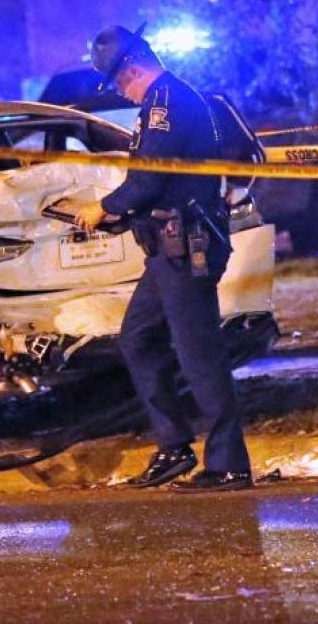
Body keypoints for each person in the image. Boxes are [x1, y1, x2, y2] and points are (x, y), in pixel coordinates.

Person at [74, 25, 252, 492]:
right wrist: (122, 213)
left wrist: (103, 208)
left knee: (198, 354)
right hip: (166, 246)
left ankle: (228, 463)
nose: (119, 91)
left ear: (131, 68)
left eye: (117, 82)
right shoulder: (160, 103)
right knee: (138, 339)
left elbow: (149, 180)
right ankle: (174, 446)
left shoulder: (168, 103)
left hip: (184, 244)